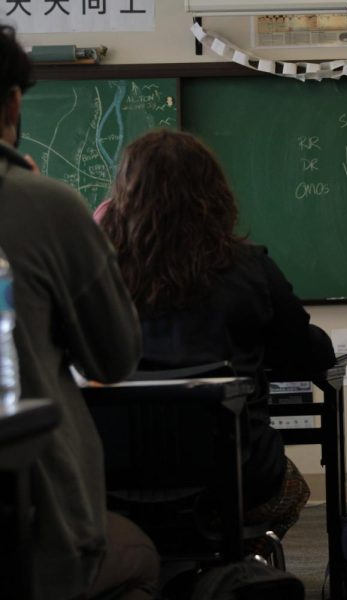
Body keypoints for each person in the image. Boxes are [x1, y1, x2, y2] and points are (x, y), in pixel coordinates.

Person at [98, 129, 336, 551]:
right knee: (292, 490)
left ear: (123, 197)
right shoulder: (249, 268)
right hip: (234, 480)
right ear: (214, 194)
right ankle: (232, 560)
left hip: (110, 482)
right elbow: (301, 354)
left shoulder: (94, 272)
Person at [0, 26, 158, 599]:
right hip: (33, 524)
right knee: (137, 558)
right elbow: (113, 357)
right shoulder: (45, 206)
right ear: (14, 102)